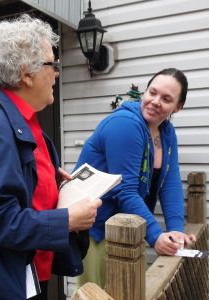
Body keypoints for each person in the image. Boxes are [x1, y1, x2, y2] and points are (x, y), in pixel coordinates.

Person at [0, 14, 102, 300]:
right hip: (3, 282)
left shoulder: (23, 120)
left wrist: (54, 184)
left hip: (26, 273)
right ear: (26, 73)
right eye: (53, 64)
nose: (57, 73)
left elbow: (19, 191)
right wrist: (66, 220)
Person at [73, 68, 196, 292]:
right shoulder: (126, 125)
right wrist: (156, 236)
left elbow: (170, 181)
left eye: (166, 99)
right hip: (96, 227)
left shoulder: (166, 132)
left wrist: (176, 229)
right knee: (96, 294)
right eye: (153, 92)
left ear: (177, 107)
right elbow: (126, 191)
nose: (156, 101)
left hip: (126, 228)